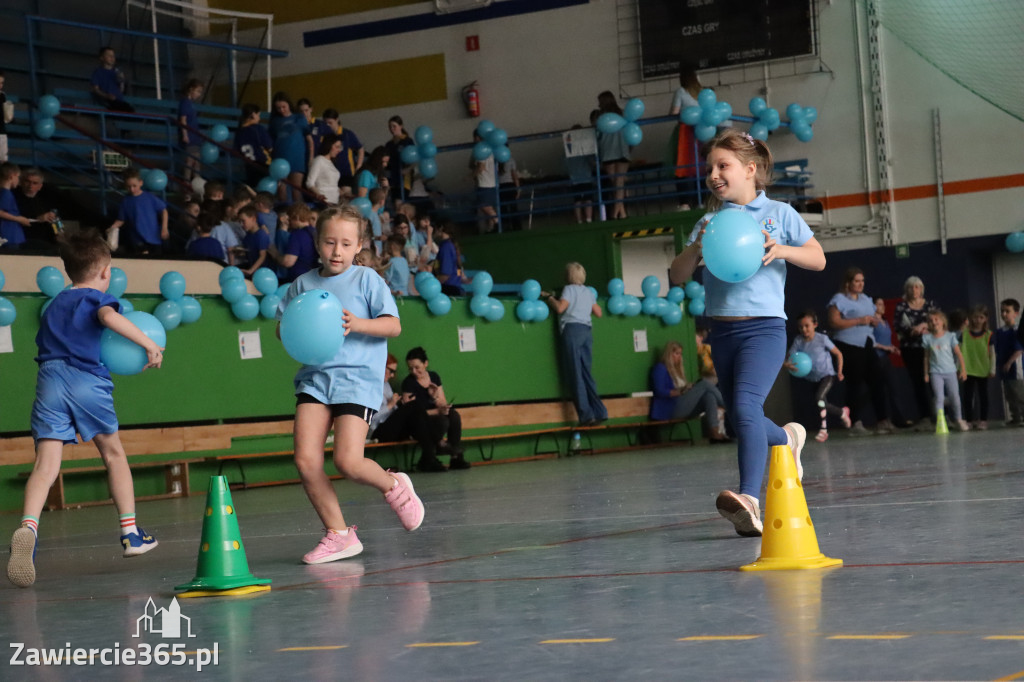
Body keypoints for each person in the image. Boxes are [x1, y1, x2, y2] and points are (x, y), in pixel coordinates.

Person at [669, 128, 825, 538]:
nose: (714, 175)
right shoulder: (709, 222)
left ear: (750, 170)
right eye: (710, 169)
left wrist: (783, 250)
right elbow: (676, 274)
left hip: (765, 330)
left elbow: (818, 258)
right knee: (744, 418)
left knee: (743, 408)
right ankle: (787, 440)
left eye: (723, 166)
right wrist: (695, 249)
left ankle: (750, 501)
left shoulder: (779, 214)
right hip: (721, 332)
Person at [7, 230, 162, 588]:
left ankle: (28, 527)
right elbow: (109, 319)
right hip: (86, 380)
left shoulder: (56, 303)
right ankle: (130, 534)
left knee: (46, 466)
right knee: (113, 455)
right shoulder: (98, 298)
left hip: (49, 379)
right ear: (105, 271)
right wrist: (148, 344)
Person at [274, 205, 422, 565]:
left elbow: (393, 326)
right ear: (317, 243)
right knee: (306, 460)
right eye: (329, 242)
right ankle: (339, 534)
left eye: (345, 243)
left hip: (356, 380)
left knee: (348, 461)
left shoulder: (367, 280)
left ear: (359, 246)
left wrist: (356, 323)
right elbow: (284, 329)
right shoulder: (302, 285)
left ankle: (394, 485)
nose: (336, 251)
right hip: (314, 380)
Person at [827, 267, 895, 435]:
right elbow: (834, 322)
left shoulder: (866, 299)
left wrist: (872, 321)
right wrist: (859, 320)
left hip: (867, 343)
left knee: (877, 381)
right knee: (854, 385)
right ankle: (854, 423)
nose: (860, 284)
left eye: (862, 281)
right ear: (848, 283)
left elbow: (871, 316)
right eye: (857, 281)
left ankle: (882, 421)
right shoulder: (839, 299)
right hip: (848, 345)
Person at [543, 262, 608, 426]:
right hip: (587, 332)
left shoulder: (568, 290)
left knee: (575, 374)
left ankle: (586, 415)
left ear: (568, 276)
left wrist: (549, 297)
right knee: (587, 373)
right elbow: (598, 313)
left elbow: (560, 308)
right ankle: (600, 411)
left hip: (572, 331)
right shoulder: (588, 291)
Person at [369, 354, 447, 473]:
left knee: (420, 415)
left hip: (393, 427)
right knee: (415, 406)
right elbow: (369, 417)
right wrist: (390, 405)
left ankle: (429, 458)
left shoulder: (386, 385)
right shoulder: (369, 386)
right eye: (391, 371)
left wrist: (399, 405)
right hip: (378, 431)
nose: (392, 375)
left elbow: (394, 412)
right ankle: (436, 446)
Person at [784, 311, 849, 443]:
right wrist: (787, 365)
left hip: (827, 375)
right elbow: (788, 359)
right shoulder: (798, 341)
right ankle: (842, 412)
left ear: (815, 325)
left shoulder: (822, 339)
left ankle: (823, 430)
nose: (804, 329)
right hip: (812, 378)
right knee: (821, 402)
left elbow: (838, 354)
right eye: (801, 327)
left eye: (807, 326)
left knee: (819, 398)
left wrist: (840, 371)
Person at [402, 347, 470, 470]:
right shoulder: (408, 383)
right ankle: (436, 450)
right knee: (442, 421)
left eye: (417, 367)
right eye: (410, 368)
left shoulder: (434, 377)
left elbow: (442, 402)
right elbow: (412, 414)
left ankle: (455, 457)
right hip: (420, 421)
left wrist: (435, 398)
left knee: (454, 415)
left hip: (435, 413)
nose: (414, 371)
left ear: (425, 364)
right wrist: (438, 411)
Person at [649, 341, 729, 442]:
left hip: (681, 405)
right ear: (669, 354)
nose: (679, 357)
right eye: (676, 354)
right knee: (704, 383)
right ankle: (728, 406)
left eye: (680, 354)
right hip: (670, 408)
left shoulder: (677, 370)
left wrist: (687, 388)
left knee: (709, 396)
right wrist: (680, 392)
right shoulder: (660, 368)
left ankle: (715, 432)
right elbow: (659, 391)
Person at [894, 276, 939, 429]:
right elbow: (899, 327)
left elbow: (939, 322)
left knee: (935, 382)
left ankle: (941, 415)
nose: (914, 290)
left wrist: (925, 325)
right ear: (907, 290)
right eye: (911, 287)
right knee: (918, 383)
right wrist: (914, 330)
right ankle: (925, 416)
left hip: (930, 349)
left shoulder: (930, 305)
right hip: (910, 349)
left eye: (917, 287)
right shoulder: (901, 307)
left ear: (921, 289)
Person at [922, 309, 969, 431]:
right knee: (939, 397)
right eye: (931, 321)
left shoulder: (950, 336)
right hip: (935, 372)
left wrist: (963, 370)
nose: (934, 322)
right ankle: (940, 420)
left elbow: (959, 354)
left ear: (943, 321)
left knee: (954, 396)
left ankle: (958, 419)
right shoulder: (927, 338)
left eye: (936, 319)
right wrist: (926, 373)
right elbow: (926, 357)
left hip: (950, 371)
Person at [107, 169, 168, 256]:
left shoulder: (149, 197)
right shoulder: (126, 201)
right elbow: (121, 220)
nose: (132, 189)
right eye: (128, 187)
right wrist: (112, 228)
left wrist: (164, 228)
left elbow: (164, 210)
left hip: (154, 238)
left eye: (134, 186)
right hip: (137, 239)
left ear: (141, 183)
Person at [871, 296, 911, 428]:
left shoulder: (885, 321)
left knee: (894, 388)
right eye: (879, 304)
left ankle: (898, 419)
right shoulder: (872, 322)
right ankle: (883, 420)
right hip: (876, 358)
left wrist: (892, 348)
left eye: (883, 304)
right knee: (880, 390)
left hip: (886, 358)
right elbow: (871, 342)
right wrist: (886, 348)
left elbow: (886, 340)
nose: (882, 306)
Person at [667, 63, 702, 210]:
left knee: (683, 166)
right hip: (702, 132)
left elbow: (674, 113)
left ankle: (685, 203)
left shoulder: (681, 92)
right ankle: (702, 200)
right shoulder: (702, 92)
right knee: (701, 166)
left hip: (685, 134)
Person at [268, 92, 313, 202]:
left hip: (296, 158)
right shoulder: (274, 121)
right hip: (280, 159)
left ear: (289, 105)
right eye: (278, 108)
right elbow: (271, 141)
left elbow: (309, 140)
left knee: (296, 190)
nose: (282, 110)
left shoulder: (299, 118)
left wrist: (310, 158)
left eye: (284, 107)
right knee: (281, 190)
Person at [596, 91, 631, 220]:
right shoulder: (623, 114)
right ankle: (621, 213)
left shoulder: (601, 118)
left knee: (615, 184)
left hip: (608, 153)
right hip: (622, 151)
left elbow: (598, 137)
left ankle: (617, 214)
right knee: (619, 183)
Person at [961, 304, 995, 429]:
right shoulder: (964, 333)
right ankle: (969, 420)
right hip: (968, 369)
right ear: (970, 318)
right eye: (975, 317)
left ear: (985, 319)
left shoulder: (988, 334)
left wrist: (992, 369)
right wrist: (959, 368)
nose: (977, 320)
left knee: (983, 396)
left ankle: (983, 420)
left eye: (981, 317)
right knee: (968, 396)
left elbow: (992, 354)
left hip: (983, 369)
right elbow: (959, 350)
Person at [994, 299, 1024, 426]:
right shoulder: (1000, 332)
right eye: (1002, 311)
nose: (1004, 314)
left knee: (1019, 394)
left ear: (1016, 313)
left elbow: (1019, 349)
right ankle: (1016, 417)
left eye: (1008, 311)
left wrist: (1009, 363)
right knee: (1009, 395)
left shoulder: (1017, 331)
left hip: (1015, 369)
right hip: (1004, 369)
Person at [234, 103, 274, 189]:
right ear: (253, 114)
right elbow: (269, 147)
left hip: (249, 166)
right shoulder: (258, 129)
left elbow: (236, 151)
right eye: (258, 115)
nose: (259, 118)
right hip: (263, 164)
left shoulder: (239, 132)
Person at [277, 202, 318, 282]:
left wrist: (275, 255)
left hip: (298, 279)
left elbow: (288, 262)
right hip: (313, 277)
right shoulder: (314, 232)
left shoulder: (297, 234)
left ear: (296, 217)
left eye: (290, 219)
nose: (289, 222)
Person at [565, 124, 595, 224]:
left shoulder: (568, 149)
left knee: (577, 200)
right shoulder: (585, 148)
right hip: (586, 177)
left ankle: (579, 221)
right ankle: (589, 219)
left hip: (574, 179)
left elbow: (565, 163)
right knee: (588, 199)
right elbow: (592, 161)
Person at [469, 130, 499, 233]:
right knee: (488, 205)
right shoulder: (491, 151)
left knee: (483, 204)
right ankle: (491, 227)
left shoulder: (481, 151)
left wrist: (469, 176)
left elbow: (480, 167)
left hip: (484, 183)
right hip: (491, 183)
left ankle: (495, 221)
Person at [90, 47, 134, 113]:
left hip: (118, 100)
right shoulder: (98, 72)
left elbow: (121, 90)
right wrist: (106, 96)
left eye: (113, 56)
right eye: (109, 55)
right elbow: (95, 89)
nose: (112, 58)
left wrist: (122, 81)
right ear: (102, 58)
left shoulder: (117, 72)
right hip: (107, 101)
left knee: (129, 110)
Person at [0, 162, 31, 251]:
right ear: (12, 176)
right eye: (18, 177)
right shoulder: (5, 194)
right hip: (8, 237)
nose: (18, 180)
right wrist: (19, 219)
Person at [177, 79, 203, 182]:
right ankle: (187, 184)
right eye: (198, 91)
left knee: (196, 162)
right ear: (191, 89)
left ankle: (196, 183)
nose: (199, 94)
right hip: (190, 136)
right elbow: (183, 120)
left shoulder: (190, 103)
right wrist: (185, 135)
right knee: (190, 161)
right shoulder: (185, 103)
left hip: (194, 136)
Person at [383, 115, 414, 201]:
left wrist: (408, 169)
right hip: (392, 177)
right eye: (390, 127)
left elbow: (415, 158)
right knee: (395, 202)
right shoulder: (389, 144)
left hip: (404, 178)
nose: (392, 129)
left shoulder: (407, 141)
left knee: (401, 201)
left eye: (394, 126)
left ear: (401, 126)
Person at [306, 134, 342, 206]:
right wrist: (319, 195)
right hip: (323, 202)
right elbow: (310, 183)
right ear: (329, 145)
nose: (339, 150)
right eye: (337, 147)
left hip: (334, 202)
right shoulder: (319, 160)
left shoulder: (332, 163)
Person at [434, 222, 464, 296]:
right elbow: (458, 270)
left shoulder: (446, 247)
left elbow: (446, 274)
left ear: (440, 228)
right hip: (456, 288)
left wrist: (433, 285)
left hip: (448, 290)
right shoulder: (451, 245)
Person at [238, 205, 269, 275]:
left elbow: (262, 256)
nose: (241, 224)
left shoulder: (261, 235)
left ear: (253, 219)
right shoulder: (248, 236)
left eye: (243, 221)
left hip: (262, 272)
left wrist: (251, 270)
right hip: (251, 267)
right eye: (239, 221)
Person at [498, 155, 521, 230]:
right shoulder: (510, 159)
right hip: (510, 185)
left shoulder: (496, 160)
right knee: (513, 206)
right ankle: (516, 226)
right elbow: (514, 175)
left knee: (502, 208)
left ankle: (505, 227)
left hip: (500, 186)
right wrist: (518, 188)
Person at [0, 71, 10, 163]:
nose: (0, 85)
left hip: (1, 132)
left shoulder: (2, 95)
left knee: (3, 160)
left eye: (2, 83)